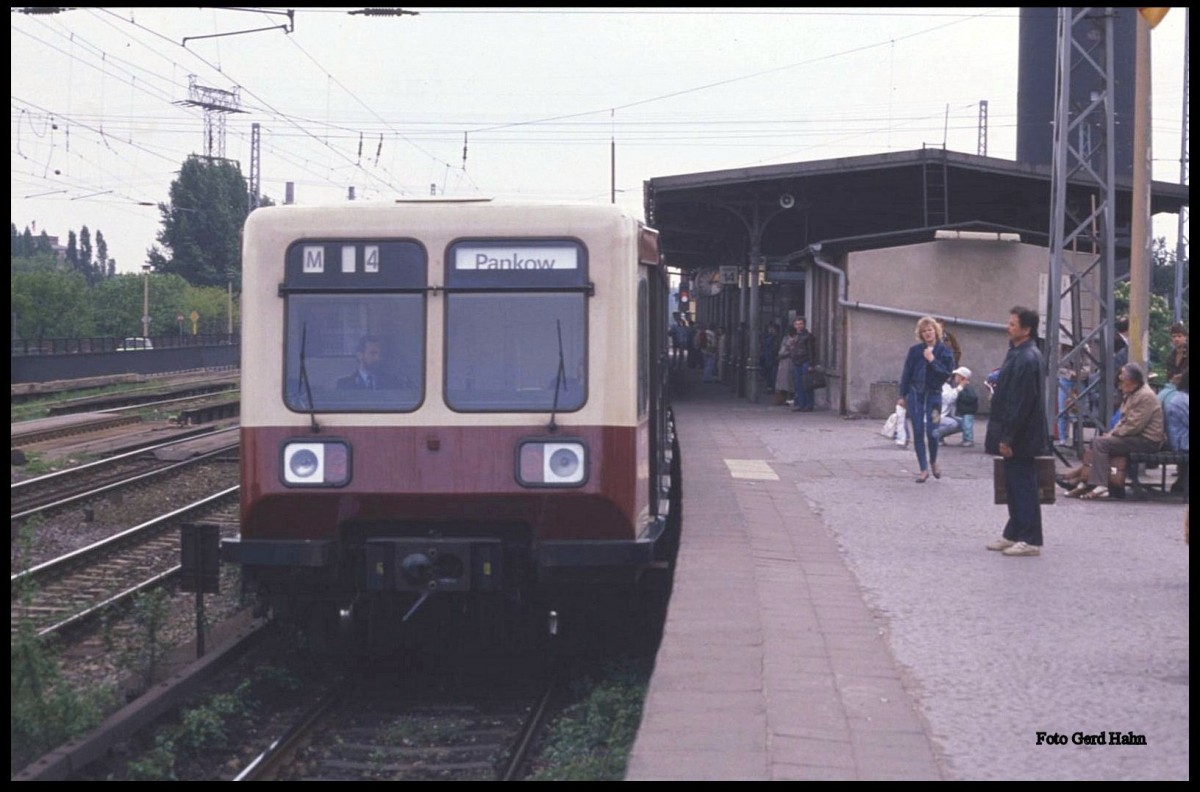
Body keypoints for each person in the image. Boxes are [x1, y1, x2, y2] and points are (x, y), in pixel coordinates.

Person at [985, 306, 1049, 557]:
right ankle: (1014, 532)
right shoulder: (1018, 353)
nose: (1008, 327)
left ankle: (1031, 539)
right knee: (1013, 484)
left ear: (1026, 329)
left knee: (1023, 485)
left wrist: (1008, 436)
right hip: (1016, 432)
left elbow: (1021, 401)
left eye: (1012, 324)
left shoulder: (1027, 357)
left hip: (1022, 434)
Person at [1064, 362, 1164, 500]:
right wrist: (1112, 433)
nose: (1120, 380)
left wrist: (1114, 434)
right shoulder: (1132, 393)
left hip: (1147, 440)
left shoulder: (1145, 396)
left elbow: (1134, 425)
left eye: (1123, 377)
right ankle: (1083, 480)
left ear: (1131, 380)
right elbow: (1123, 420)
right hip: (1135, 437)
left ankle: (1097, 483)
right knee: (1099, 442)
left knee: (1101, 444)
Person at [897, 315, 954, 482]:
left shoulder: (944, 352)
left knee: (933, 431)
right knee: (918, 431)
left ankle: (934, 460)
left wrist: (932, 360)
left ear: (935, 331)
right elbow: (907, 372)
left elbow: (946, 374)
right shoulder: (915, 351)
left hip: (934, 395)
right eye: (924, 331)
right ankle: (923, 469)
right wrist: (902, 395)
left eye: (930, 330)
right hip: (916, 394)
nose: (927, 333)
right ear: (920, 334)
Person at [336, 335, 403, 390]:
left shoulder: (392, 382)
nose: (378, 358)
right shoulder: (344, 385)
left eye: (379, 354)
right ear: (360, 355)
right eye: (372, 353)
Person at [935, 366, 977, 446]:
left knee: (963, 424)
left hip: (949, 414)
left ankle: (939, 437)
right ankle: (935, 436)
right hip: (936, 416)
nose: (952, 377)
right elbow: (949, 398)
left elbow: (971, 397)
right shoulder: (939, 386)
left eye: (956, 375)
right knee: (952, 424)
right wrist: (960, 387)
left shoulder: (948, 386)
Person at [790, 317, 817, 412]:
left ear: (804, 324)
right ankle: (801, 404)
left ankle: (809, 404)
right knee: (799, 384)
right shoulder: (795, 336)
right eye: (797, 324)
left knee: (807, 384)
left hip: (805, 361)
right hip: (797, 362)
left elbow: (811, 351)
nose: (799, 326)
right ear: (794, 325)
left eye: (800, 323)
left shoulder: (808, 337)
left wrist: (811, 364)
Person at [775, 325, 797, 405]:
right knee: (783, 382)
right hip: (784, 362)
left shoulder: (795, 339)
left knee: (791, 382)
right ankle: (782, 399)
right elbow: (781, 351)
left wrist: (788, 351)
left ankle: (790, 399)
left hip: (792, 362)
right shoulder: (785, 338)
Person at [1165, 322, 1188, 387]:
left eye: (1179, 336)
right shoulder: (1170, 357)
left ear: (1185, 337)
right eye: (1174, 336)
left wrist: (1182, 376)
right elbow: (1169, 377)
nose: (1176, 339)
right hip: (1174, 388)